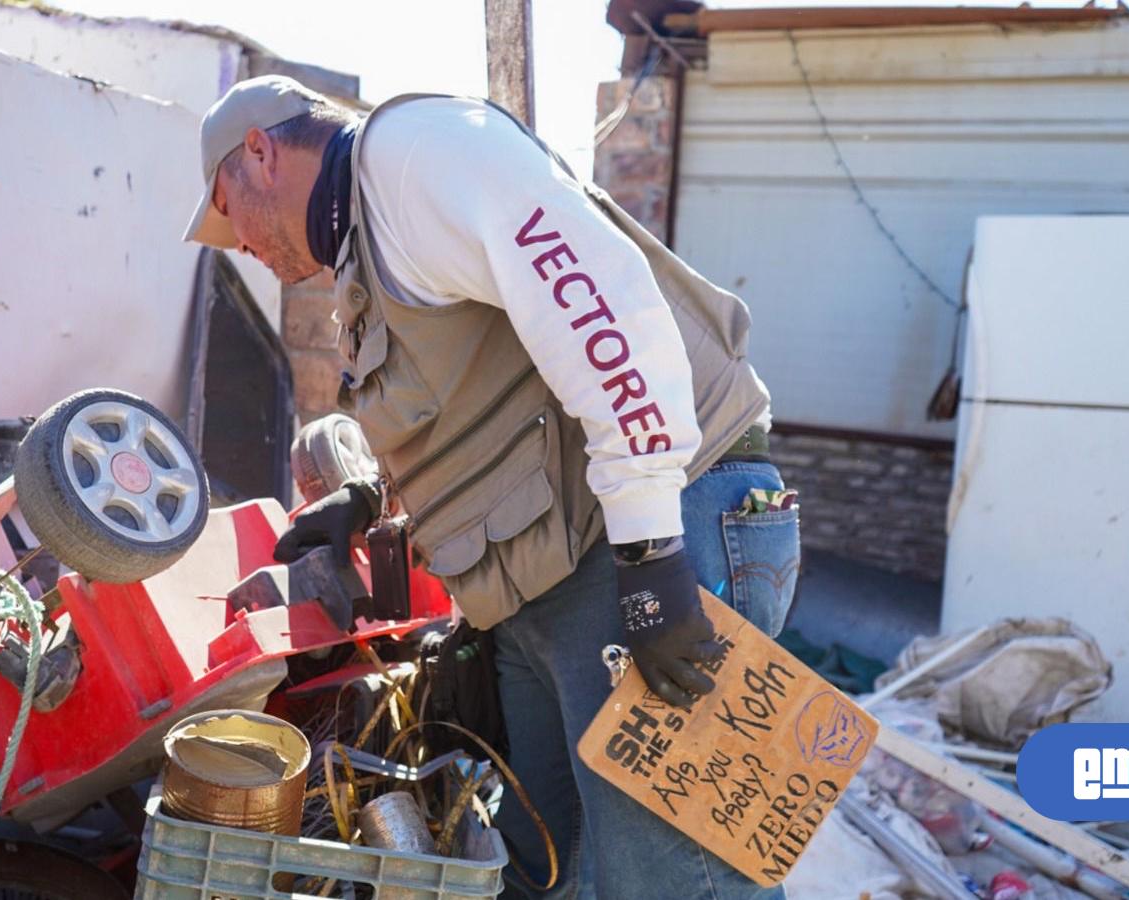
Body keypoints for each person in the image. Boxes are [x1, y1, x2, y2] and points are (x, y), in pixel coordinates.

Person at [182, 75, 799, 900]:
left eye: (228, 209)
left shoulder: (413, 157)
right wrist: (367, 495)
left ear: (259, 149)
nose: (240, 246)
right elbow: (475, 397)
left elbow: (604, 310)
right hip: (552, 585)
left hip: (646, 536)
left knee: (675, 883)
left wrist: (653, 555)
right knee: (538, 873)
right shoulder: (369, 247)